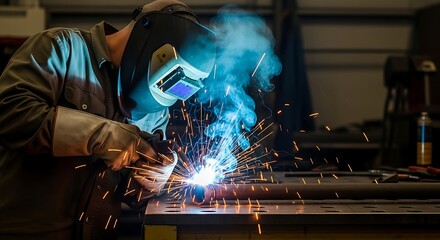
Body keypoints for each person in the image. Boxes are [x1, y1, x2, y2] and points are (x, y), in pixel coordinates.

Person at [0, 0, 216, 239]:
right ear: (150, 39)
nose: (165, 92)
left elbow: (131, 195)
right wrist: (100, 135)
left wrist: (153, 180)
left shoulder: (156, 109)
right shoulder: (61, 49)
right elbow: (9, 114)